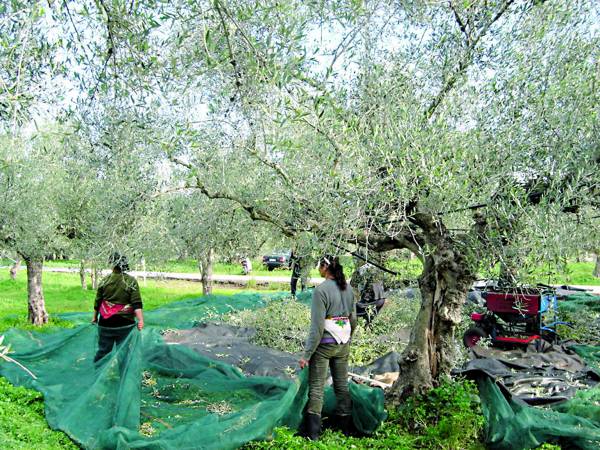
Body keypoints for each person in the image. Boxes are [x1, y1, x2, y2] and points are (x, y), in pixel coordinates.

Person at [298, 255, 357, 440]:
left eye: (319, 266)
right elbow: (353, 320)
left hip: (324, 345)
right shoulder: (349, 289)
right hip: (343, 343)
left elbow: (317, 328)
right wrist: (347, 337)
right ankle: (344, 430)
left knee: (316, 387)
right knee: (341, 385)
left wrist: (306, 355)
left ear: (325, 267)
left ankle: (313, 434)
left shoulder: (321, 290)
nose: (318, 269)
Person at [92, 253, 144, 363]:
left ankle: (98, 375)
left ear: (112, 264)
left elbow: (98, 301)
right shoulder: (131, 281)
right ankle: (123, 378)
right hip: (125, 323)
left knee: (103, 351)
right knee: (124, 352)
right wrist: (140, 320)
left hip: (106, 322)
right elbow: (136, 303)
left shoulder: (105, 281)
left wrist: (95, 317)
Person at [350, 260, 386, 326]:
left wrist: (364, 305)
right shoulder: (377, 270)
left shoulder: (364, 272)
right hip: (375, 301)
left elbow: (380, 301)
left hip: (373, 303)